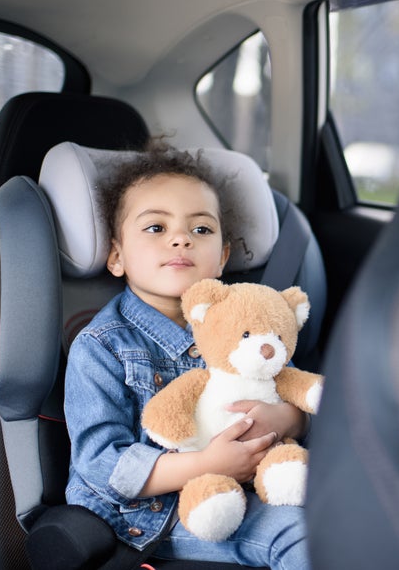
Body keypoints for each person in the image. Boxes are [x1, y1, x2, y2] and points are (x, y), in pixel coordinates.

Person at [64, 144, 310, 569]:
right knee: (299, 537)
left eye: (200, 230)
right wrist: (206, 464)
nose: (180, 238)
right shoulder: (103, 345)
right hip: (152, 515)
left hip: (252, 488)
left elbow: (292, 390)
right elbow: (101, 465)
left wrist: (288, 419)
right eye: (155, 228)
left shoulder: (248, 319)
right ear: (118, 256)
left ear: (222, 259)